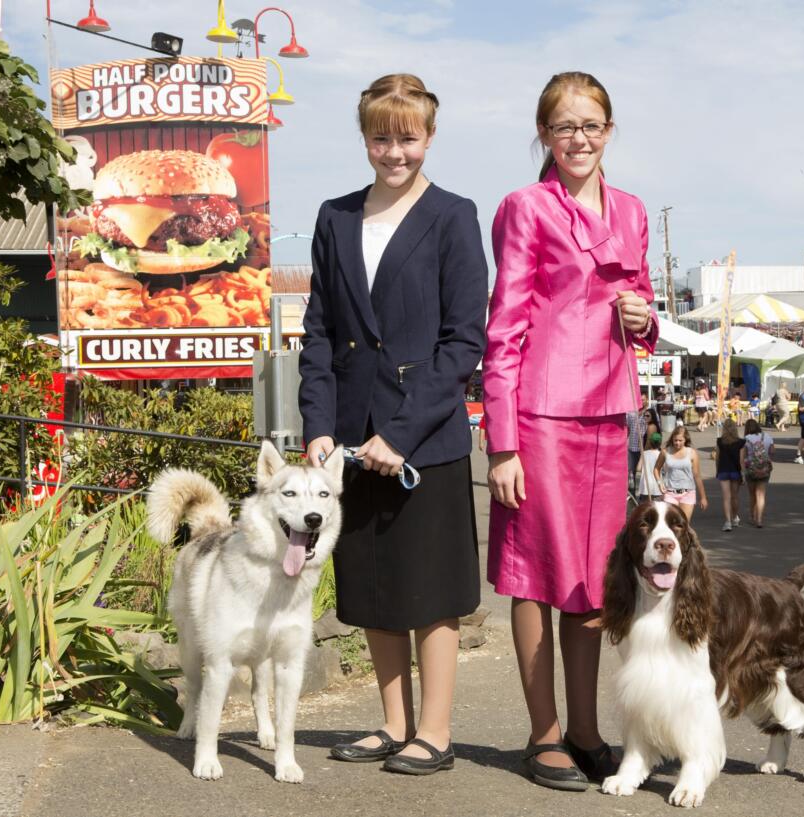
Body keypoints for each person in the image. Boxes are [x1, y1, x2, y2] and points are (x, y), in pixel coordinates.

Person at [298, 74, 487, 775]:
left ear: (429, 137)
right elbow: (318, 331)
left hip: (423, 436)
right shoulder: (335, 216)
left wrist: (401, 432)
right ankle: (392, 722)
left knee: (430, 586)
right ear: (365, 137)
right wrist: (319, 424)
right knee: (374, 580)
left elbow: (463, 341)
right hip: (349, 434)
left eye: (408, 137)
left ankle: (434, 731)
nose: (394, 150)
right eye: (382, 136)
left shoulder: (453, 216)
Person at [482, 71, 658, 792]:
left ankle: (586, 731)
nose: (579, 137)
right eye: (564, 126)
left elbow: (641, 297)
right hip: (541, 411)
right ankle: (544, 733)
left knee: (593, 580)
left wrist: (645, 317)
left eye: (591, 125)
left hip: (607, 411)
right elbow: (504, 327)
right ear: (544, 137)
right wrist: (502, 442)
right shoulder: (524, 208)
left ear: (609, 131)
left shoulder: (634, 209)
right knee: (535, 574)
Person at [654, 425, 708, 520]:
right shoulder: (665, 452)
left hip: (688, 493)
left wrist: (703, 497)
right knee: (671, 524)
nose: (677, 443)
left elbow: (697, 476)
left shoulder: (692, 453)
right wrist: (659, 483)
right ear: (672, 439)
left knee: (684, 525)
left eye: (680, 440)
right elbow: (656, 469)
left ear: (685, 440)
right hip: (670, 493)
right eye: (675, 440)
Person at [739, 418, 775, 527]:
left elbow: (742, 457)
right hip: (764, 469)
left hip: (751, 469)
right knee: (761, 495)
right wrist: (766, 457)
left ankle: (752, 516)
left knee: (752, 495)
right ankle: (759, 519)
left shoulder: (746, 439)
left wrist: (742, 472)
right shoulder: (768, 437)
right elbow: (773, 451)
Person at [712, 417, 745, 531]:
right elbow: (741, 460)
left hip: (723, 470)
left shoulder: (719, 441)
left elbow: (717, 458)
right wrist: (743, 474)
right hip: (736, 471)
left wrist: (717, 470)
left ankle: (727, 522)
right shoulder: (741, 442)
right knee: (735, 496)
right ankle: (735, 517)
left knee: (726, 497)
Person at [637, 431, 665, 502]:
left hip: (645, 485)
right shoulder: (661, 454)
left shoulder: (644, 453)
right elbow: (665, 469)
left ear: (649, 442)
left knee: (645, 509)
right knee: (656, 508)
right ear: (660, 443)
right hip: (657, 485)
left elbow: (638, 468)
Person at [625, 398, 645, 494]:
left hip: (643, 447)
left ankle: (641, 489)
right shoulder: (630, 413)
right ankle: (633, 490)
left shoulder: (648, 413)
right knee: (632, 468)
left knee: (642, 469)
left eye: (644, 400)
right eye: (641, 400)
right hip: (632, 445)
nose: (642, 401)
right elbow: (626, 426)